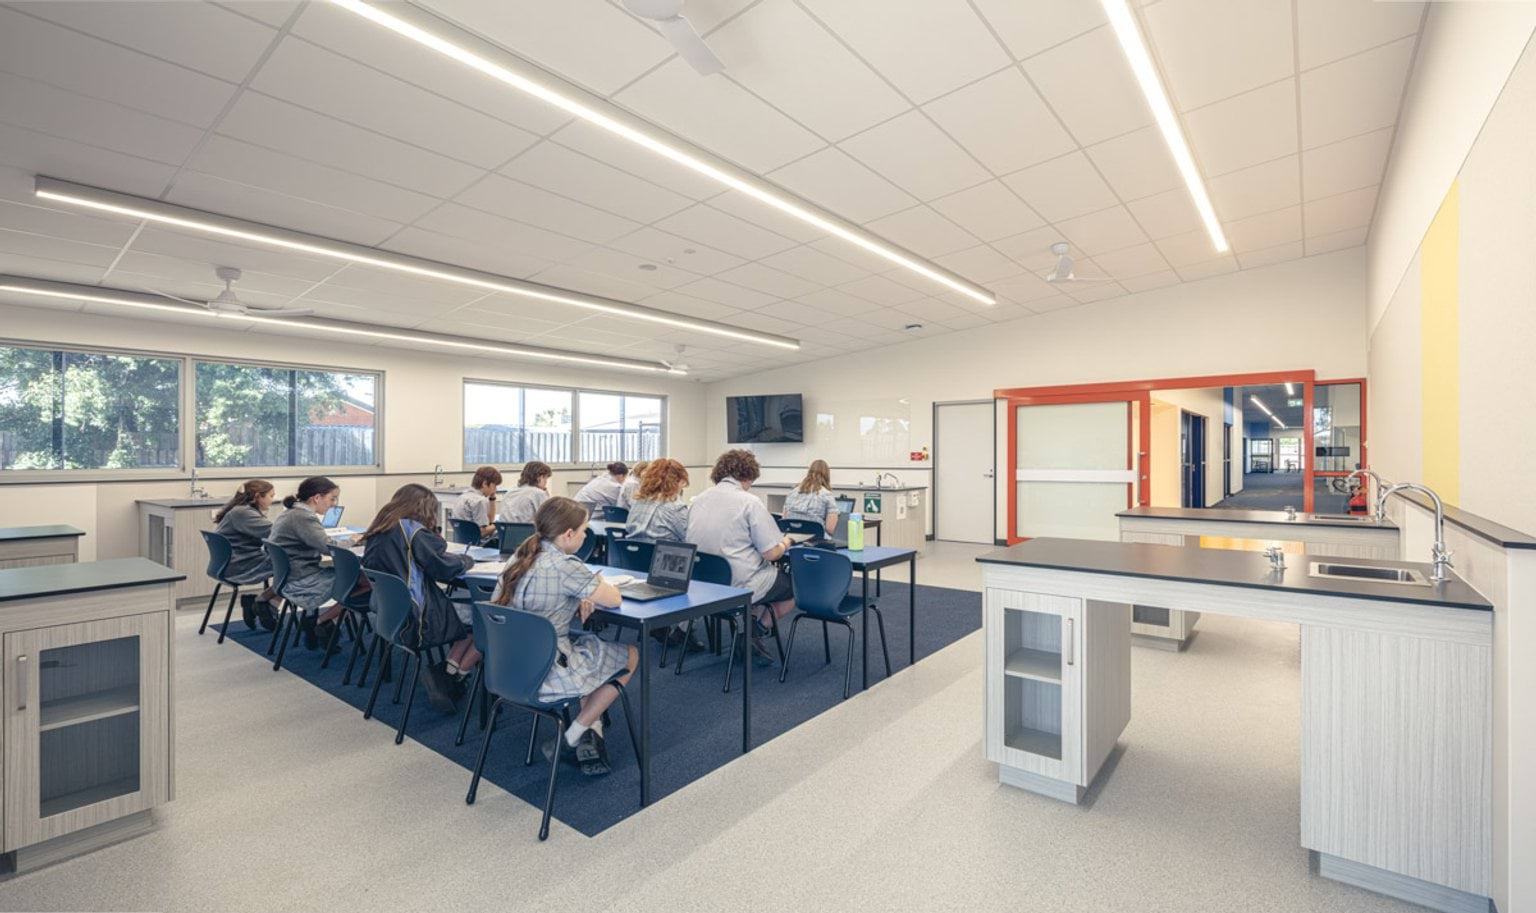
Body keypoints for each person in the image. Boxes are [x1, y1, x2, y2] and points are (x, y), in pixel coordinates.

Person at [492, 497, 637, 776]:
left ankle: (591, 734)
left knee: (593, 650)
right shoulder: (566, 566)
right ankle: (573, 737)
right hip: (549, 672)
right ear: (568, 534)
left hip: (508, 667)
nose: (585, 536)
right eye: (583, 530)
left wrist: (575, 599)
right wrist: (591, 581)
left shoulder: (518, 558)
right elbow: (614, 598)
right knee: (629, 655)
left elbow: (530, 612)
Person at [360, 484, 478, 714]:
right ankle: (450, 673)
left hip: (390, 614)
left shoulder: (380, 527)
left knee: (469, 615)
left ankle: (449, 672)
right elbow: (444, 568)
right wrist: (466, 561)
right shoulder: (413, 530)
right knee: (479, 616)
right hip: (419, 618)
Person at [685, 450, 795, 665]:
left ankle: (750, 631)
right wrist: (786, 542)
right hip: (738, 584)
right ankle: (755, 630)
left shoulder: (699, 499)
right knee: (793, 586)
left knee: (758, 572)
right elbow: (771, 552)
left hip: (703, 584)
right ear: (749, 475)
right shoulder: (749, 502)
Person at [268, 477, 350, 652]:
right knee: (360, 581)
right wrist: (356, 540)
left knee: (353, 578)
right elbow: (329, 548)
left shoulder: (290, 512)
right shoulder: (303, 517)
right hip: (303, 579)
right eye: (331, 498)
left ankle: (319, 623)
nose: (333, 504)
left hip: (289, 576)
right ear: (317, 498)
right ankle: (324, 622)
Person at [212, 479, 279, 631]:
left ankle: (260, 602)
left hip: (236, 561)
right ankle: (265, 603)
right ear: (258, 496)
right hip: (241, 564)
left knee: (290, 565)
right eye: (270, 496)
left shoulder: (240, 510)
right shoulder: (243, 513)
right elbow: (275, 531)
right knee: (293, 567)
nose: (272, 500)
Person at [624, 459, 689, 542]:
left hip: (631, 554)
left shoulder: (637, 503)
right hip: (663, 553)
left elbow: (628, 529)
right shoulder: (676, 508)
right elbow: (690, 538)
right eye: (682, 483)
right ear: (676, 483)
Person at [783, 459, 840, 539]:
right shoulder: (827, 495)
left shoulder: (792, 493)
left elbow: (785, 520)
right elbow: (831, 528)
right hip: (816, 544)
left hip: (792, 542)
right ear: (827, 475)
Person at [451, 465, 502, 544]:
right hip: (477, 544)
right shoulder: (479, 501)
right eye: (495, 485)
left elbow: (489, 521)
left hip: (462, 542)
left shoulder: (462, 497)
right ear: (485, 483)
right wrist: (499, 525)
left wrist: (492, 498)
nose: (496, 489)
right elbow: (482, 532)